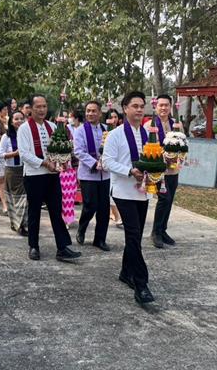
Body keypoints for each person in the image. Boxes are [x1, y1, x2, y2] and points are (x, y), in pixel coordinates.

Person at [102, 91, 155, 304]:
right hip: (123, 192)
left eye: (142, 106)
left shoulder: (147, 134)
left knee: (135, 237)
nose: (139, 110)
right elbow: (107, 161)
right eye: (135, 106)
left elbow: (152, 159)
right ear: (125, 108)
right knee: (133, 235)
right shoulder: (115, 135)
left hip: (142, 193)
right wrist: (129, 171)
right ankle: (141, 284)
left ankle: (126, 272)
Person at [16, 94, 81, 262]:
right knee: (34, 212)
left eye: (44, 106)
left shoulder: (52, 126)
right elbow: (24, 154)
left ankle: (62, 247)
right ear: (30, 108)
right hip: (34, 175)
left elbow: (62, 148)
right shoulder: (24, 128)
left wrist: (63, 162)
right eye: (38, 106)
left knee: (55, 210)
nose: (42, 109)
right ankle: (33, 246)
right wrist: (45, 163)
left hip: (52, 175)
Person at [73, 100, 111, 251]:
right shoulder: (80, 130)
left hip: (105, 175)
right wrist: (95, 163)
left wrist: (107, 162)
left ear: (100, 113)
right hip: (88, 174)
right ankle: (82, 229)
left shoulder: (107, 129)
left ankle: (100, 239)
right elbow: (79, 151)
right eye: (88, 110)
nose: (90, 113)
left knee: (104, 208)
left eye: (94, 111)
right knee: (90, 205)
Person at [145, 94, 180, 248]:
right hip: (158, 170)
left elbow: (183, 143)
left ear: (170, 107)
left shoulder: (176, 124)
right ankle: (156, 232)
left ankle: (163, 229)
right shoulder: (149, 125)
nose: (164, 108)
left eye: (166, 105)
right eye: (161, 105)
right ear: (156, 106)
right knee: (164, 199)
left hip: (173, 170)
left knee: (170, 200)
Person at [0, 110, 28, 235]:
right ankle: (17, 224)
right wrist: (15, 154)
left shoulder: (27, 135)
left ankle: (22, 224)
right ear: (11, 121)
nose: (19, 121)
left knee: (24, 199)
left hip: (25, 170)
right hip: (12, 171)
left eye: (21, 118)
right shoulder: (7, 137)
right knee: (15, 199)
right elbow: (0, 154)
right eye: (16, 119)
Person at [106, 109, 123, 227]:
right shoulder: (105, 130)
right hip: (106, 166)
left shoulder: (122, 131)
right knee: (110, 192)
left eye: (115, 117)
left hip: (119, 166)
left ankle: (116, 214)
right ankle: (116, 215)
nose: (113, 119)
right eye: (111, 117)